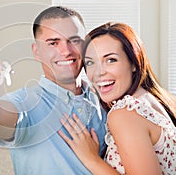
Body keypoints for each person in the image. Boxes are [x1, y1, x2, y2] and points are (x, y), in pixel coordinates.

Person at [0, 6, 108, 174]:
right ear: (37, 52)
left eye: (74, 40)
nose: (65, 51)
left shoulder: (102, 98)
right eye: (53, 43)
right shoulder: (25, 102)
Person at [59, 22, 176, 175]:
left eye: (111, 60)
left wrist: (91, 159)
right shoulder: (153, 99)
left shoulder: (125, 114)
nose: (99, 72)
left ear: (133, 63)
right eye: (90, 62)